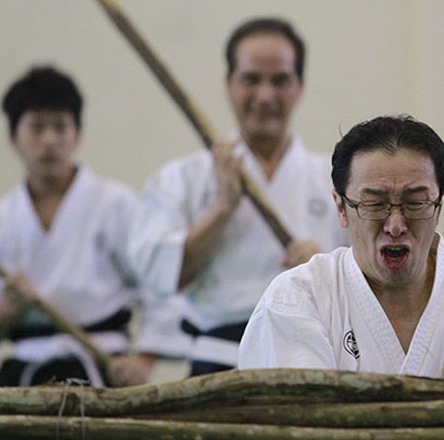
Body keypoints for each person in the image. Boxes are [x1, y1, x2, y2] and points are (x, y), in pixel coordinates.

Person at [239, 115, 444, 382]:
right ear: (341, 208)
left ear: (438, 207)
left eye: (415, 202)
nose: (395, 225)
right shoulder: (298, 299)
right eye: (374, 204)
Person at [128, 17, 348, 376]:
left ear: (300, 87)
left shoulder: (337, 179)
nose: (265, 96)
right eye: (251, 79)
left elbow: (374, 283)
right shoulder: (183, 178)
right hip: (217, 365)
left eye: (280, 80)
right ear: (229, 84)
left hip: (308, 363)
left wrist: (325, 271)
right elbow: (163, 276)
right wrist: (222, 210)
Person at [0, 65, 190, 387]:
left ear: (76, 135)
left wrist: (143, 360)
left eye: (60, 127)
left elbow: (160, 285)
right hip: (24, 375)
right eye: (36, 127)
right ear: (12, 138)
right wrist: (10, 307)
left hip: (102, 368)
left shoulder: (115, 204)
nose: (50, 140)